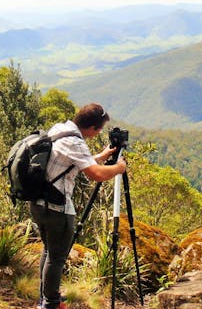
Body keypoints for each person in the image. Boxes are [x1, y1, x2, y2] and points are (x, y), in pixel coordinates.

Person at [30, 102, 127, 309]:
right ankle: (51, 304)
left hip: (39, 203)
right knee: (57, 257)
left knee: (49, 252)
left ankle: (45, 298)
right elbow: (96, 174)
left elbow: (75, 161)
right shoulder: (76, 142)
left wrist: (103, 155)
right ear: (92, 128)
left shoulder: (60, 129)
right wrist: (119, 168)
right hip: (57, 208)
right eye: (99, 129)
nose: (98, 133)